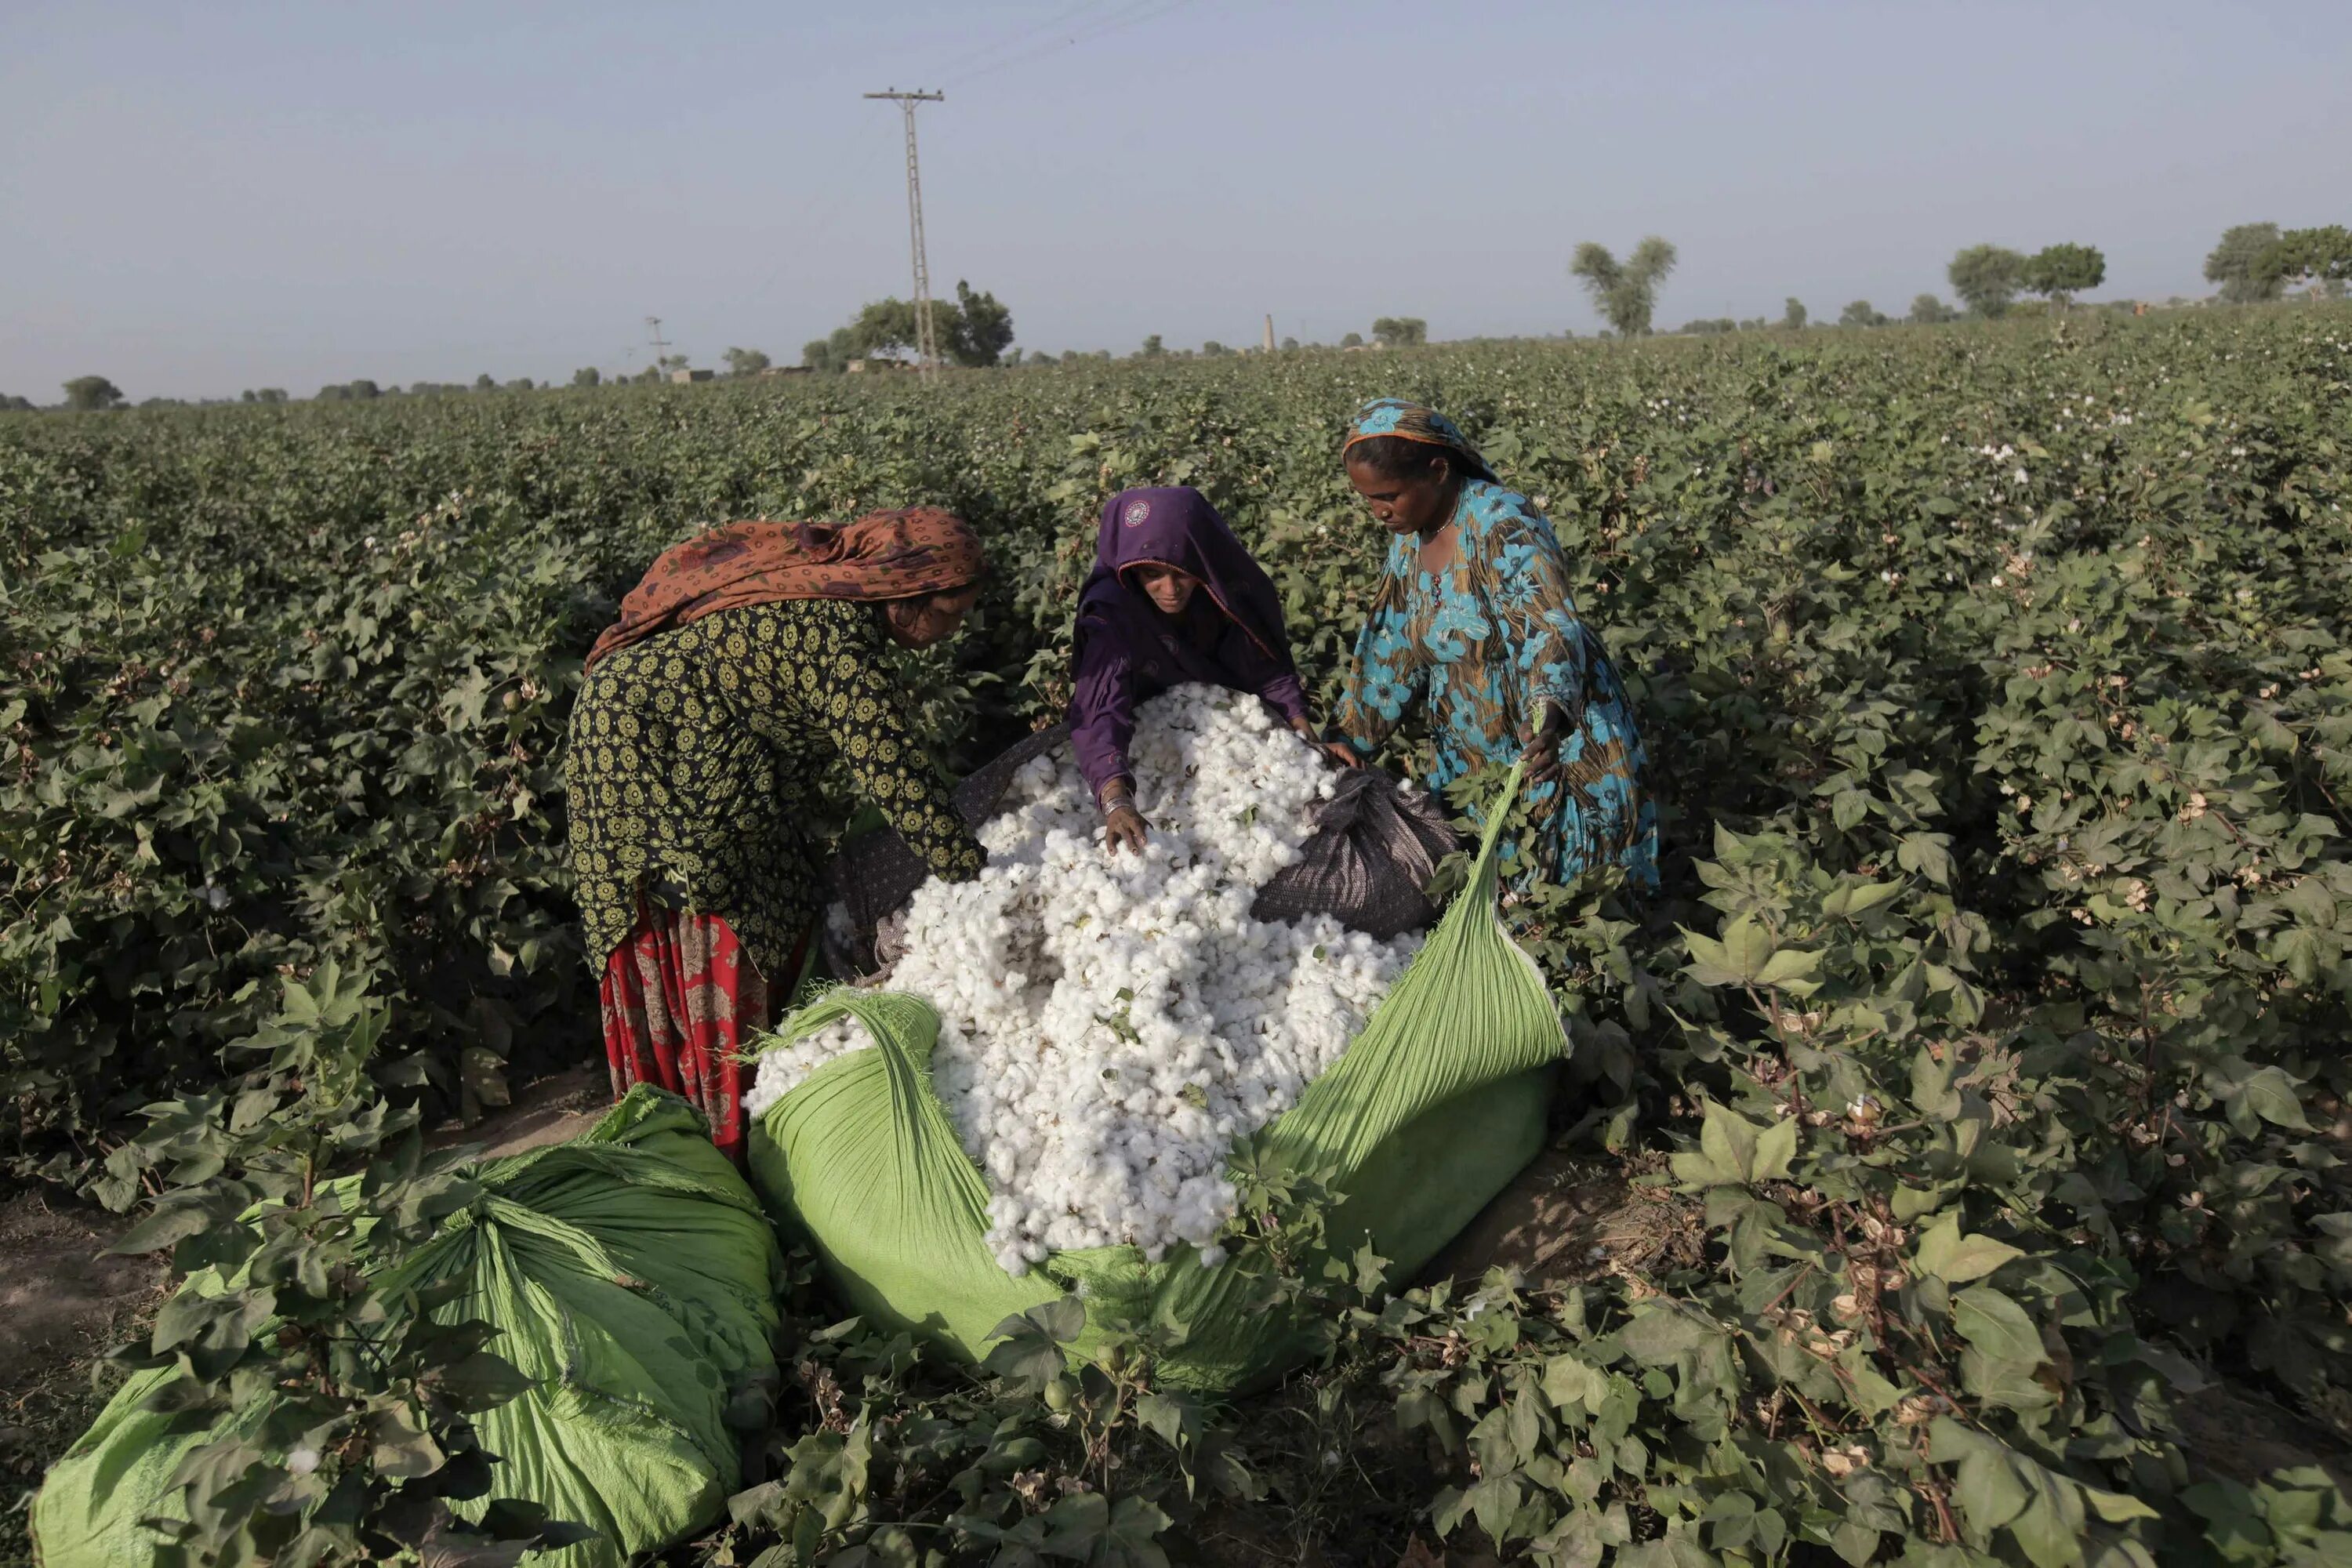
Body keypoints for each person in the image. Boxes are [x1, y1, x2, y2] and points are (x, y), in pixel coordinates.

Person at [568, 508, 989, 1159]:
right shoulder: (837, 640)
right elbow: (897, 775)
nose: (954, 631)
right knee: (721, 906)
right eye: (950, 614)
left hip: (674, 730)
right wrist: (974, 874)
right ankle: (711, 1134)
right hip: (642, 744)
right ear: (906, 598)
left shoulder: (838, 611)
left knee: (775, 887)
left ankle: (728, 1120)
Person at [1329, 399, 1657, 892]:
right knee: (1486, 872)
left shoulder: (1500, 520)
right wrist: (1349, 736)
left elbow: (1545, 624)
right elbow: (1392, 646)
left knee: (1559, 873)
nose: (1379, 512)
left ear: (1439, 471)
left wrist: (1547, 720)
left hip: (1546, 725)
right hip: (1466, 735)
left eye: (1389, 495)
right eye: (1369, 499)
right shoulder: (1408, 538)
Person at [1070, 486, 1342, 853]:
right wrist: (1117, 801)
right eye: (1151, 574)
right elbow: (1101, 711)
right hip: (1142, 740)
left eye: (1183, 573)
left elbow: (1266, 670)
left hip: (1228, 731)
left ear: (1203, 561)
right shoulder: (1113, 615)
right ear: (1127, 570)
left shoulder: (1225, 593)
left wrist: (1306, 741)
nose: (1170, 590)